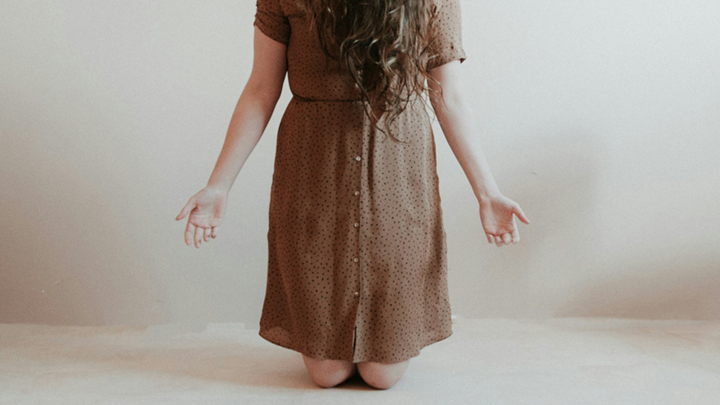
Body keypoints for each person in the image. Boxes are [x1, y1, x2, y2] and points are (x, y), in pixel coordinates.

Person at [176, 0, 529, 390]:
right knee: (327, 374)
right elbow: (261, 89)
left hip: (397, 167)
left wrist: (487, 192)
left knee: (382, 376)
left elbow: (448, 96)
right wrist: (218, 184)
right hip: (315, 165)